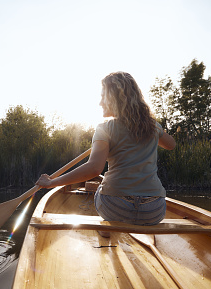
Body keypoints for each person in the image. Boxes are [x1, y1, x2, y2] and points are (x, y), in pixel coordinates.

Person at [36, 71, 176, 237]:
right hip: (154, 211)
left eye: (103, 96)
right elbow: (171, 145)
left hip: (116, 208)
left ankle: (107, 229)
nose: (100, 102)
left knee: (101, 188)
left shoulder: (105, 129)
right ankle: (130, 224)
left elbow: (94, 169)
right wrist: (151, 130)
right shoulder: (153, 126)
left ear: (113, 98)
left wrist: (52, 182)